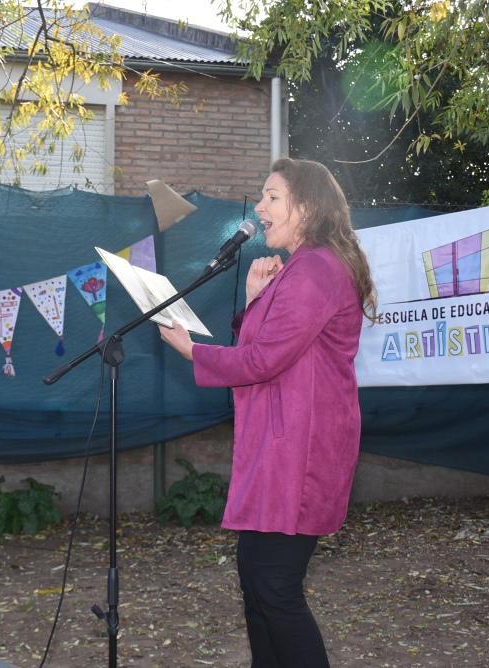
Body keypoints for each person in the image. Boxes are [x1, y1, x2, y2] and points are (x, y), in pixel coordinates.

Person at [158, 158, 377, 667]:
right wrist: (256, 297)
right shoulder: (301, 268)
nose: (259, 207)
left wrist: (192, 350)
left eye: (272, 197)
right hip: (279, 447)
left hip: (300, 452)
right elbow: (270, 347)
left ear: (307, 207)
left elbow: (262, 360)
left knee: (275, 590)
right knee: (257, 585)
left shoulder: (318, 268)